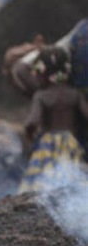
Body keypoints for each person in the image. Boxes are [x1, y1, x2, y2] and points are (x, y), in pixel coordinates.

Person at [18, 45, 88, 193]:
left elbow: (33, 121)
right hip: (70, 142)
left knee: (40, 183)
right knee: (73, 178)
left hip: (48, 144)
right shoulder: (75, 94)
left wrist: (29, 135)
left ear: (41, 72)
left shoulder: (42, 96)